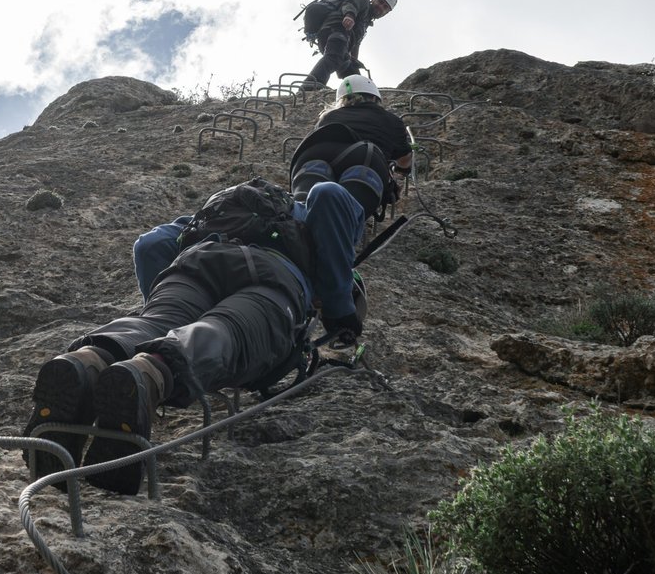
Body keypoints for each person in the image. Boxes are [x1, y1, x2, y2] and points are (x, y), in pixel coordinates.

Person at [25, 179, 364, 496]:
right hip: (273, 277)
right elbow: (330, 194)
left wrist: (165, 317)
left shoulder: (221, 211)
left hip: (195, 263)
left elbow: (150, 245)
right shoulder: (301, 215)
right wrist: (340, 310)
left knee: (155, 321)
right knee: (228, 329)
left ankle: (88, 361)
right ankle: (151, 369)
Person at [289, 74, 414, 222]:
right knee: (345, 215)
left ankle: (297, 223)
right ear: (374, 98)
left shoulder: (329, 116)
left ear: (342, 100)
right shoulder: (391, 120)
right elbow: (404, 160)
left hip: (314, 156)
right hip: (364, 161)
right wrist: (401, 170)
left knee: (304, 209)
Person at [297, 0, 398, 90]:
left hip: (339, 41)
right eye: (380, 2)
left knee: (351, 71)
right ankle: (308, 88)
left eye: (385, 7)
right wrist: (349, 16)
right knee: (333, 58)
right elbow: (351, 4)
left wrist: (354, 60)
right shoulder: (363, 0)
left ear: (387, 12)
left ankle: (358, 93)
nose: (381, 7)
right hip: (335, 29)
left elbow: (356, 44)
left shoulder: (365, 23)